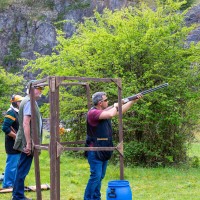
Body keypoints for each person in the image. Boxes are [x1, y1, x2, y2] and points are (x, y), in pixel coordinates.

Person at [84, 91, 143, 200]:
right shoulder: (93, 113)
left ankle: (96, 198)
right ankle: (88, 198)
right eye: (106, 100)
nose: (108, 102)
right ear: (100, 103)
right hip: (94, 150)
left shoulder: (103, 112)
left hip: (104, 149)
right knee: (95, 177)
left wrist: (133, 101)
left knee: (99, 177)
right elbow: (112, 113)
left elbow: (119, 111)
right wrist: (116, 105)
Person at [12, 81, 44, 200]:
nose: (40, 91)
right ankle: (18, 196)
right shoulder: (29, 102)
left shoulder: (29, 101)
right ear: (31, 89)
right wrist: (29, 143)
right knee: (22, 169)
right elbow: (26, 123)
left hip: (27, 140)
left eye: (41, 88)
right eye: (38, 88)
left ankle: (17, 194)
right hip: (28, 141)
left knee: (21, 168)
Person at [1, 95, 24, 189]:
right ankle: (7, 184)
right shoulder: (11, 112)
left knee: (16, 164)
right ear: (16, 103)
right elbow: (5, 128)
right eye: (20, 102)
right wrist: (16, 137)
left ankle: (13, 183)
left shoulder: (17, 112)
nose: (22, 103)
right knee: (12, 164)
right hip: (12, 143)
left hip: (17, 143)